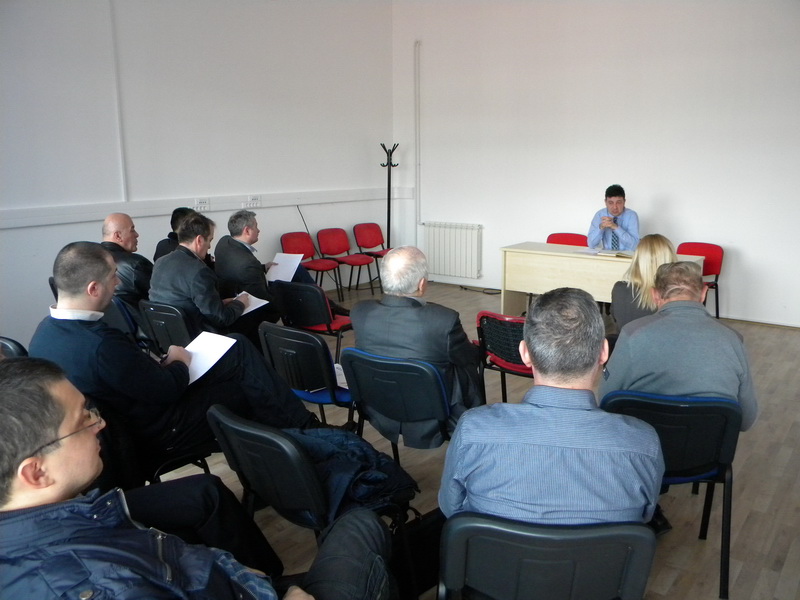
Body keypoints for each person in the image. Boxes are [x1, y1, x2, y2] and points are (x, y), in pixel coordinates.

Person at [0, 357, 395, 600]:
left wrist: (234, 570)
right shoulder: (101, 584)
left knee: (204, 493)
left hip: (230, 581)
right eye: (83, 419)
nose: (100, 424)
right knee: (361, 524)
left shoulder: (69, 520)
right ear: (36, 472)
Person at [28, 241, 320, 460]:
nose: (117, 283)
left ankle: (288, 451)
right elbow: (166, 389)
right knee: (244, 381)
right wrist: (178, 361)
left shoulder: (42, 334)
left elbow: (128, 376)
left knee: (237, 348)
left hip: (131, 415)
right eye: (113, 276)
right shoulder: (100, 344)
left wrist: (160, 365)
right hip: (157, 429)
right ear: (93, 288)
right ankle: (306, 436)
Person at [439, 287, 664, 525]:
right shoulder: (643, 442)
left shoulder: (473, 430)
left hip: (492, 550)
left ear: (524, 353)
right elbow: (644, 516)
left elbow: (451, 508)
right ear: (603, 352)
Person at [350, 246, 484, 449]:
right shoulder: (443, 320)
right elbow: (467, 358)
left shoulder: (360, 312)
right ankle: (475, 430)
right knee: (465, 365)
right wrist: (480, 351)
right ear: (422, 284)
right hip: (434, 415)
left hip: (379, 407)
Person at [601, 261, 758, 431]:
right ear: (704, 293)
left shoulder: (632, 334)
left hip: (642, 442)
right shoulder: (733, 339)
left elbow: (605, 401)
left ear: (654, 294)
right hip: (708, 444)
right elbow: (746, 420)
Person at [150, 211, 273, 347]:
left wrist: (219, 303)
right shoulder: (199, 271)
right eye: (209, 240)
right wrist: (240, 303)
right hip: (199, 338)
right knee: (253, 322)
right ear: (199, 240)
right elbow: (221, 319)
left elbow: (182, 300)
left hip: (169, 336)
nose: (209, 246)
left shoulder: (160, 262)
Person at [611, 233, 677, 330]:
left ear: (637, 259)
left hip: (625, 339)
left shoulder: (619, 289)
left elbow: (615, 318)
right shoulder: (675, 295)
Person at [100, 212, 153, 318]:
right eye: (132, 230)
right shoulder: (136, 264)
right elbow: (162, 297)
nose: (137, 234)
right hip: (142, 325)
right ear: (118, 236)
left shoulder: (90, 260)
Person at [588, 184, 640, 251]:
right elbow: (591, 245)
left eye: (618, 202)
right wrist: (601, 227)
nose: (615, 207)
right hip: (606, 256)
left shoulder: (632, 215)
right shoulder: (600, 215)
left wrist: (616, 227)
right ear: (605, 202)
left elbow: (635, 246)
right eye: (610, 203)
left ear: (624, 202)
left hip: (627, 256)